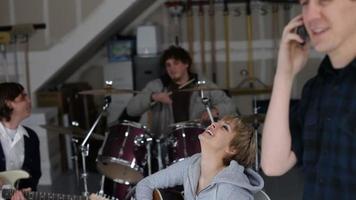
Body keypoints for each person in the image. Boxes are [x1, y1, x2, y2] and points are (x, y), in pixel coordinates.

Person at [261, 0, 356, 199]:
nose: (311, 15)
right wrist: (284, 75)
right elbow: (273, 164)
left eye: (324, 1)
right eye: (305, 3)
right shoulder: (315, 89)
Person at [135, 115, 264, 199]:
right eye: (217, 121)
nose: (214, 124)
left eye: (224, 127)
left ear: (232, 149)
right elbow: (145, 184)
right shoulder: (192, 165)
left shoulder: (234, 193)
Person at [126, 46, 236, 138]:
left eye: (176, 63)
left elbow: (230, 105)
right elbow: (131, 110)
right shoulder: (158, 86)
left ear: (186, 64)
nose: (171, 68)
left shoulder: (203, 84)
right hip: (168, 143)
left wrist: (215, 110)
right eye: (168, 65)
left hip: (198, 141)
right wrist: (153, 97)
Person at [0, 82, 41, 198]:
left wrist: (26, 190)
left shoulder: (31, 137)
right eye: (23, 97)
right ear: (8, 103)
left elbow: (34, 175)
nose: (29, 100)